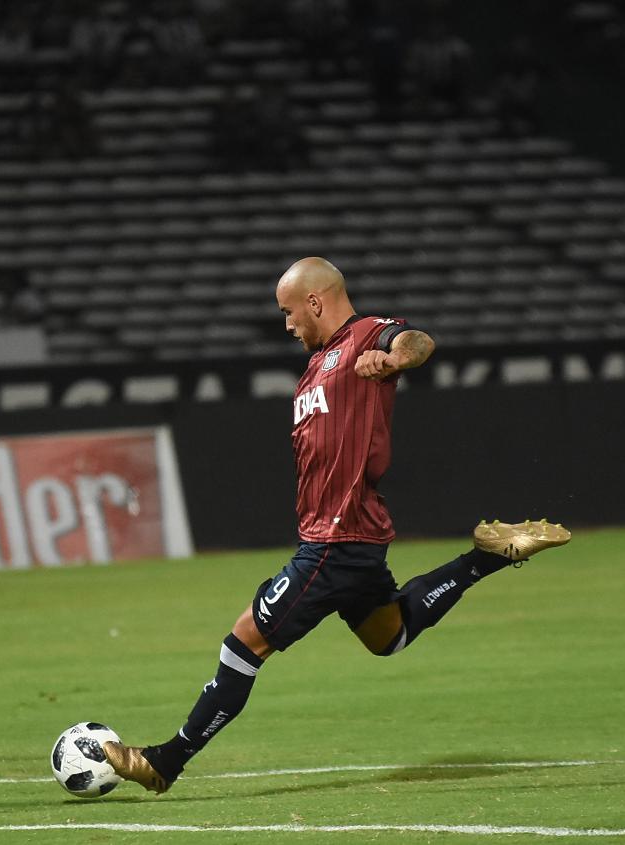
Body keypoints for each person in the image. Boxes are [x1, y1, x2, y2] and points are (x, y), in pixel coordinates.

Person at [101, 257, 572, 793]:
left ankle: (167, 761)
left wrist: (393, 360)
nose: (286, 324)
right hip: (352, 537)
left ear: (316, 302)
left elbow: (417, 341)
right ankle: (486, 556)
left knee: (242, 644)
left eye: (288, 311)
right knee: (388, 635)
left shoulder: (365, 336)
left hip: (334, 539)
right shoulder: (314, 367)